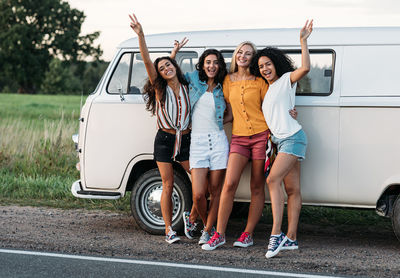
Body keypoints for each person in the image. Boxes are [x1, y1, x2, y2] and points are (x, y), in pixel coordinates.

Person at [201, 41, 270, 251]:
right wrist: (211, 122)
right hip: (239, 138)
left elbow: (271, 106)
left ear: (253, 58)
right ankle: (219, 234)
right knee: (229, 184)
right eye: (240, 52)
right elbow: (230, 112)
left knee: (257, 186)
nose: (243, 56)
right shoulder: (228, 81)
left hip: (261, 136)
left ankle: (247, 234)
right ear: (236, 55)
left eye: (248, 54)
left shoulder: (260, 81)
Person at [129, 13, 191, 244]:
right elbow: (148, 61)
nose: (166, 68)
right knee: (168, 183)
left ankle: (191, 218)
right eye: (162, 68)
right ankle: (168, 229)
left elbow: (169, 65)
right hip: (165, 140)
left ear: (175, 65)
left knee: (200, 180)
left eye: (169, 65)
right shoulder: (159, 88)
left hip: (185, 140)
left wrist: (172, 53)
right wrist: (141, 34)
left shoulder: (186, 86)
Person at [255, 20, 313, 258]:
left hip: (293, 139)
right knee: (292, 189)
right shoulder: (268, 90)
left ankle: (276, 233)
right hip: (282, 142)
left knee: (272, 180)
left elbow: (306, 69)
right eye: (260, 66)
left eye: (268, 64)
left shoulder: (286, 79)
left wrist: (303, 41)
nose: (265, 68)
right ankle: (291, 238)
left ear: (276, 64)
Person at [171, 45, 231, 245]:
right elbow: (171, 74)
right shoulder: (193, 79)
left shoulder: (225, 85)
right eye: (208, 62)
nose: (211, 66)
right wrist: (174, 53)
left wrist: (221, 121)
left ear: (220, 65)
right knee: (198, 194)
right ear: (202, 64)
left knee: (215, 191)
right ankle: (207, 224)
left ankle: (207, 231)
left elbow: (232, 111)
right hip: (197, 141)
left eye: (215, 62)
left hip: (219, 141)